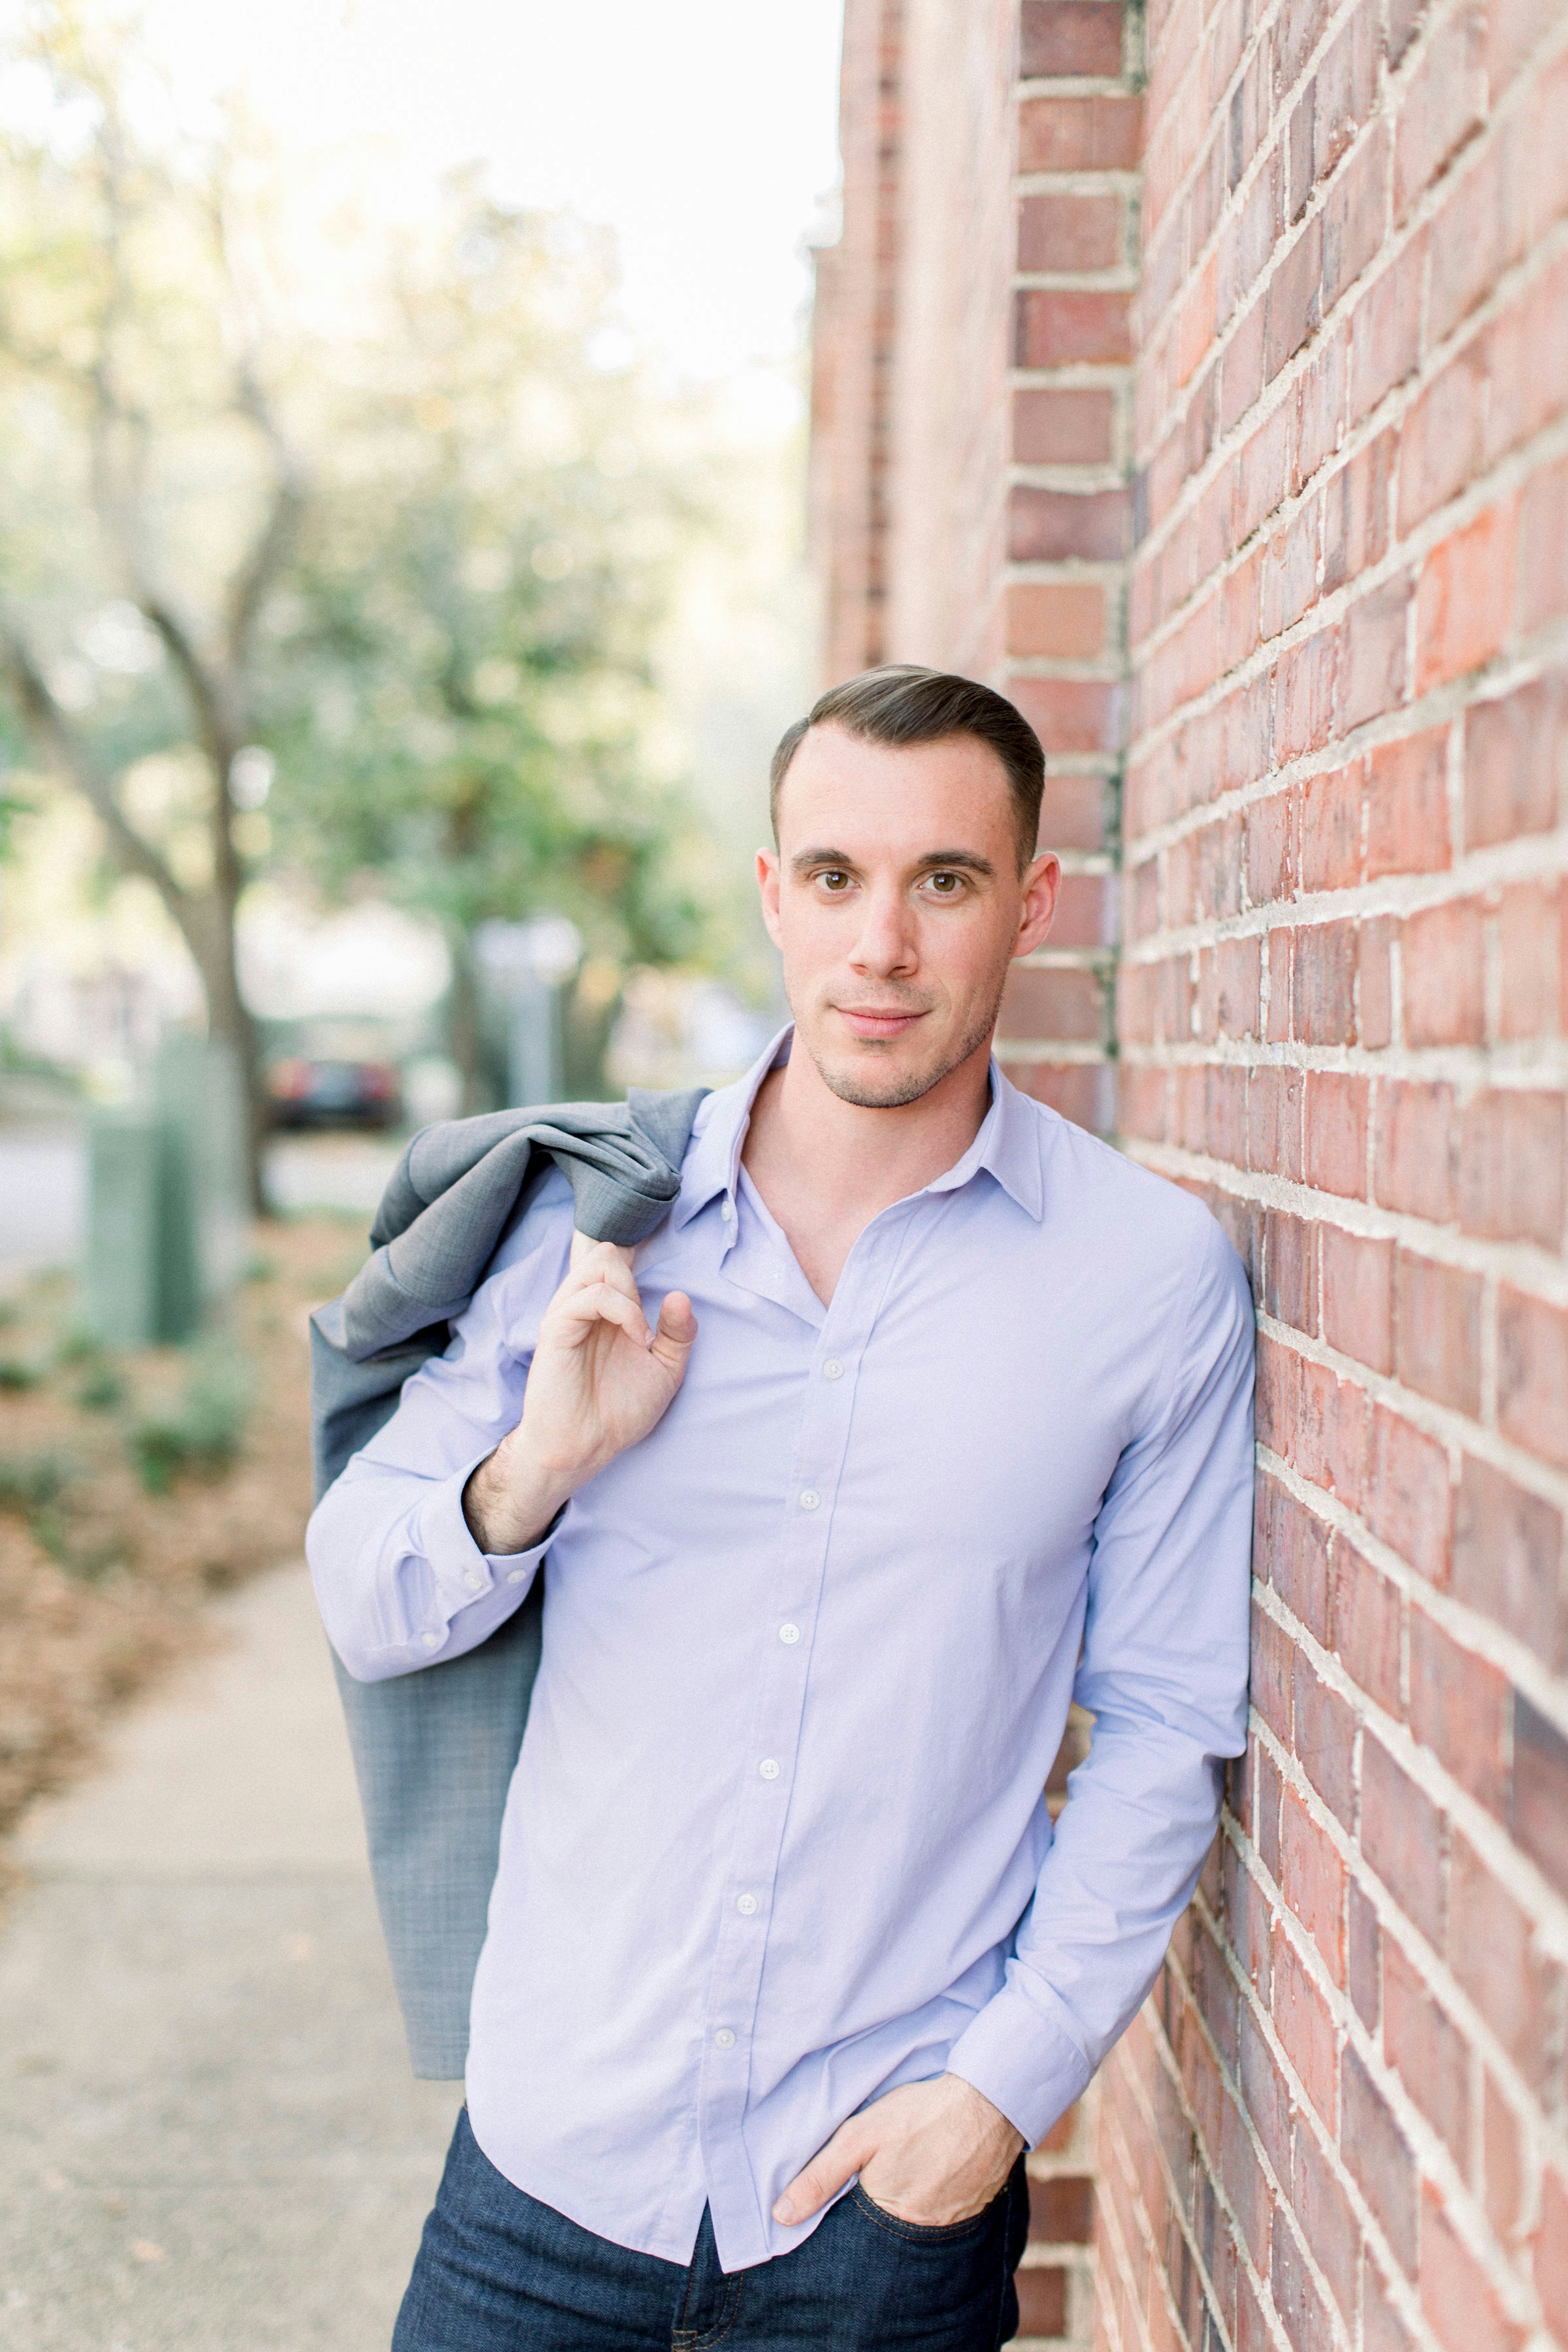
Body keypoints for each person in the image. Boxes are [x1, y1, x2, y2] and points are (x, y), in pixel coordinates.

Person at [308, 665, 1256, 2351]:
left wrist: (999, 2093)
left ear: (1032, 902)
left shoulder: (1145, 1281)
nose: (881, 946)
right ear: (773, 896)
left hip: (882, 2216)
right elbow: (366, 1596)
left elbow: (1171, 1723)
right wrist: (534, 1469)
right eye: (835, 878)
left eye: (942, 882)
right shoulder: (591, 1232)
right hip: (545, 2177)